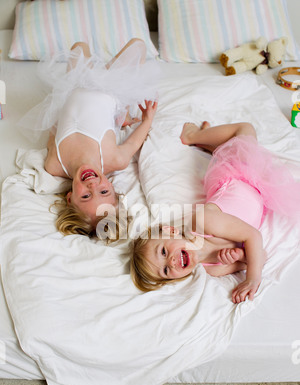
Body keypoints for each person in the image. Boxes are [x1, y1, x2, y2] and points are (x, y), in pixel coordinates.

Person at [130, 121, 300, 303]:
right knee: (228, 147)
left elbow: (253, 236)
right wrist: (242, 257)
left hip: (239, 177)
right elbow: (260, 255)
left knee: (244, 131)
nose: (170, 262)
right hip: (259, 197)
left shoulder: (203, 221)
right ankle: (210, 145)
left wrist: (252, 278)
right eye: (165, 270)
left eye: (163, 252)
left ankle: (192, 136)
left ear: (170, 231)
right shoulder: (212, 268)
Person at [19, 39, 159, 242]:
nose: (93, 185)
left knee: (79, 47)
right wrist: (148, 119)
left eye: (85, 196)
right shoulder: (114, 160)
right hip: (111, 90)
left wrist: (61, 102)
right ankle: (122, 114)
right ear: (112, 188)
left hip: (76, 86)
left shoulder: (55, 164)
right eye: (103, 191)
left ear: (69, 197)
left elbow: (54, 127)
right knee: (138, 45)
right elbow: (133, 143)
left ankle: (115, 111)